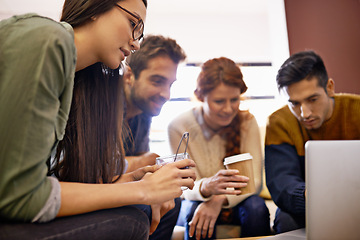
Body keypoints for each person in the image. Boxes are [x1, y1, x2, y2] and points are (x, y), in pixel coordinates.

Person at [0, 1, 196, 239]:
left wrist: (130, 181)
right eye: (132, 23)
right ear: (94, 8)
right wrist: (142, 189)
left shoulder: (87, 83)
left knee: (139, 211)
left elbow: (52, 178)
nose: (136, 43)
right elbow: (19, 194)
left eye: (140, 33)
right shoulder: (48, 40)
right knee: (131, 221)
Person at [168, 57, 271, 240]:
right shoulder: (179, 127)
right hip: (197, 198)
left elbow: (254, 183)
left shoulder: (247, 122)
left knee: (256, 207)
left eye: (234, 100)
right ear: (201, 97)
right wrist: (206, 189)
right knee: (193, 210)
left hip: (238, 200)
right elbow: (183, 186)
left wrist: (218, 200)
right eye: (219, 101)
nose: (228, 109)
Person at [265, 50, 360, 234]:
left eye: (312, 99)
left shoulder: (356, 110)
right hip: (306, 204)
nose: (304, 113)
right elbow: (281, 181)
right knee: (285, 220)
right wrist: (309, 195)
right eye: (295, 104)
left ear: (330, 87)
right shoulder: (279, 122)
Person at [122, 34, 187, 240]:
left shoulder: (143, 112)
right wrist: (142, 163)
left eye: (170, 84)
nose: (166, 94)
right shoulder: (104, 106)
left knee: (173, 199)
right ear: (129, 76)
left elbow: (142, 163)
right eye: (157, 81)